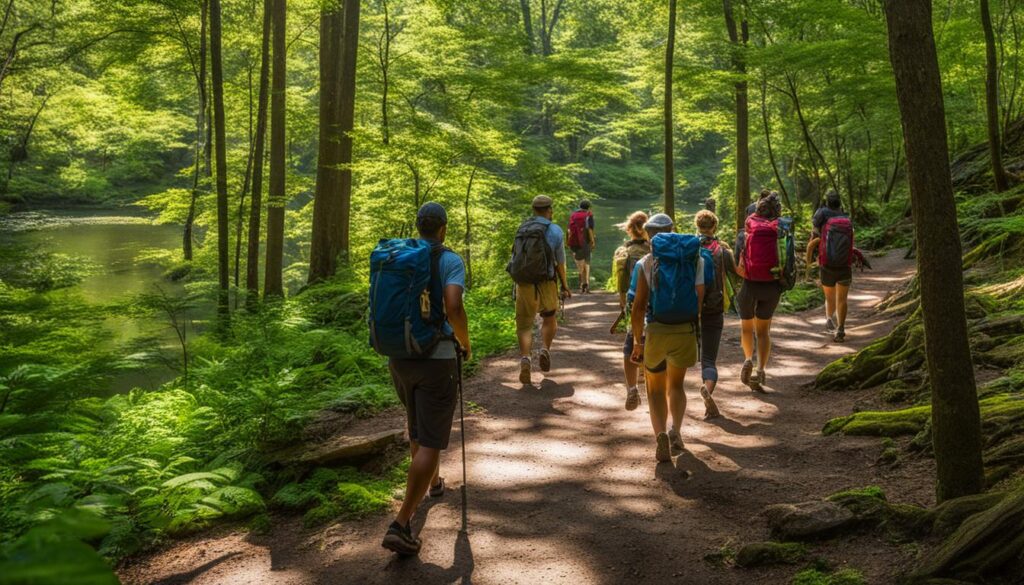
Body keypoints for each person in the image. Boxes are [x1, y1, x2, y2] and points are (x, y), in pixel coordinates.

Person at [381, 202, 471, 556]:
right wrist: (464, 341)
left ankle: (433, 482)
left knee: (417, 426)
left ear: (417, 226)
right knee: (432, 439)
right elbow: (453, 305)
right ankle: (401, 523)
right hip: (436, 358)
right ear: (443, 228)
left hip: (399, 356)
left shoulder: (400, 257)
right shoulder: (449, 259)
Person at [630, 213, 705, 462]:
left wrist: (638, 341)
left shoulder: (645, 263)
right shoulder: (695, 260)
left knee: (655, 388)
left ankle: (660, 433)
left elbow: (638, 306)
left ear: (648, 235)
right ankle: (676, 431)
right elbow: (699, 298)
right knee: (676, 385)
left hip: (656, 331)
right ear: (673, 230)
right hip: (684, 329)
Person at [509, 195, 572, 385]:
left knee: (524, 324)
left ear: (534, 209)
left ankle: (525, 359)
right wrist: (565, 285)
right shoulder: (554, 230)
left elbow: (515, 258)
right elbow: (560, 263)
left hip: (524, 283)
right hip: (546, 282)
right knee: (549, 317)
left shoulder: (522, 228)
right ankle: (545, 348)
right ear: (549, 210)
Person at [735, 193, 784, 393]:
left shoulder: (745, 232)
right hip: (772, 286)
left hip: (750, 285)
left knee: (747, 328)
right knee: (763, 332)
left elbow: (739, 266)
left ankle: (747, 359)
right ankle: (761, 370)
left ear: (757, 211)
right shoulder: (781, 232)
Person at [695, 209, 737, 419]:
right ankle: (707, 389)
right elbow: (739, 273)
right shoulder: (722, 250)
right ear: (715, 227)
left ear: (697, 226)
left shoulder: (687, 248)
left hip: (690, 311)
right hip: (714, 308)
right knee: (709, 359)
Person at [613, 211, 650, 411]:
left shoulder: (623, 252)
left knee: (632, 339)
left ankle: (632, 387)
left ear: (630, 229)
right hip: (653, 302)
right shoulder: (653, 250)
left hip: (631, 300)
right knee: (650, 338)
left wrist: (622, 303)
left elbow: (621, 284)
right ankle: (647, 377)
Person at [812, 190, 854, 342]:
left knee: (830, 296)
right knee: (842, 299)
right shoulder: (845, 217)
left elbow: (814, 235)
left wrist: (813, 255)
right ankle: (841, 328)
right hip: (845, 263)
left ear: (827, 202)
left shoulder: (821, 213)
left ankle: (829, 318)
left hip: (827, 262)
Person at [568, 200, 596, 293]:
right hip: (585, 242)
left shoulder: (573, 215)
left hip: (574, 242)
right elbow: (589, 229)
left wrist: (568, 242)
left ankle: (582, 284)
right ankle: (586, 284)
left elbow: (569, 230)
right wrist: (592, 240)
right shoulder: (589, 215)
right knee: (586, 262)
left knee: (580, 263)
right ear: (589, 207)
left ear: (579, 206)